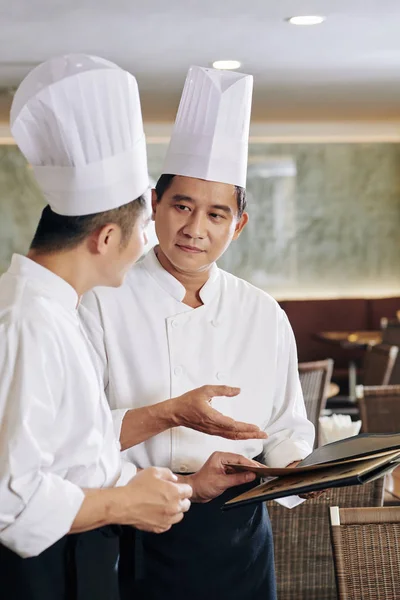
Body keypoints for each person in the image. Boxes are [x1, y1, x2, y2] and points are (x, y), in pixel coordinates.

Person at [81, 66, 315, 600]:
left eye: (216, 213)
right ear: (154, 205)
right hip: (127, 535)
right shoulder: (100, 298)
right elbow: (75, 437)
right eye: (182, 206)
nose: (195, 228)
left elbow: (287, 428)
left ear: (239, 224)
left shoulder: (262, 312)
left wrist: (300, 467)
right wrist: (172, 422)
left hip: (240, 541)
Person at [0, 54, 194, 600]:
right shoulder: (27, 321)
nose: (149, 247)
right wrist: (124, 502)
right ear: (106, 238)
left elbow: (65, 444)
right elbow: (11, 500)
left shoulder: (50, 307)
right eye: (143, 233)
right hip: (41, 575)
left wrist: (161, 432)